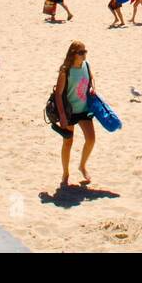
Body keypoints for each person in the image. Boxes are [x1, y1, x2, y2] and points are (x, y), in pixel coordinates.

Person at [52, 41, 96, 188]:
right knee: (68, 142)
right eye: (81, 52)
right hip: (69, 111)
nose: (84, 55)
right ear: (73, 54)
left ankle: (82, 166)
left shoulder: (86, 65)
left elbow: (92, 77)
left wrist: (93, 88)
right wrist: (63, 116)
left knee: (91, 139)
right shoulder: (66, 71)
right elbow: (58, 94)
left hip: (83, 109)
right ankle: (65, 173)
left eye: (85, 52)